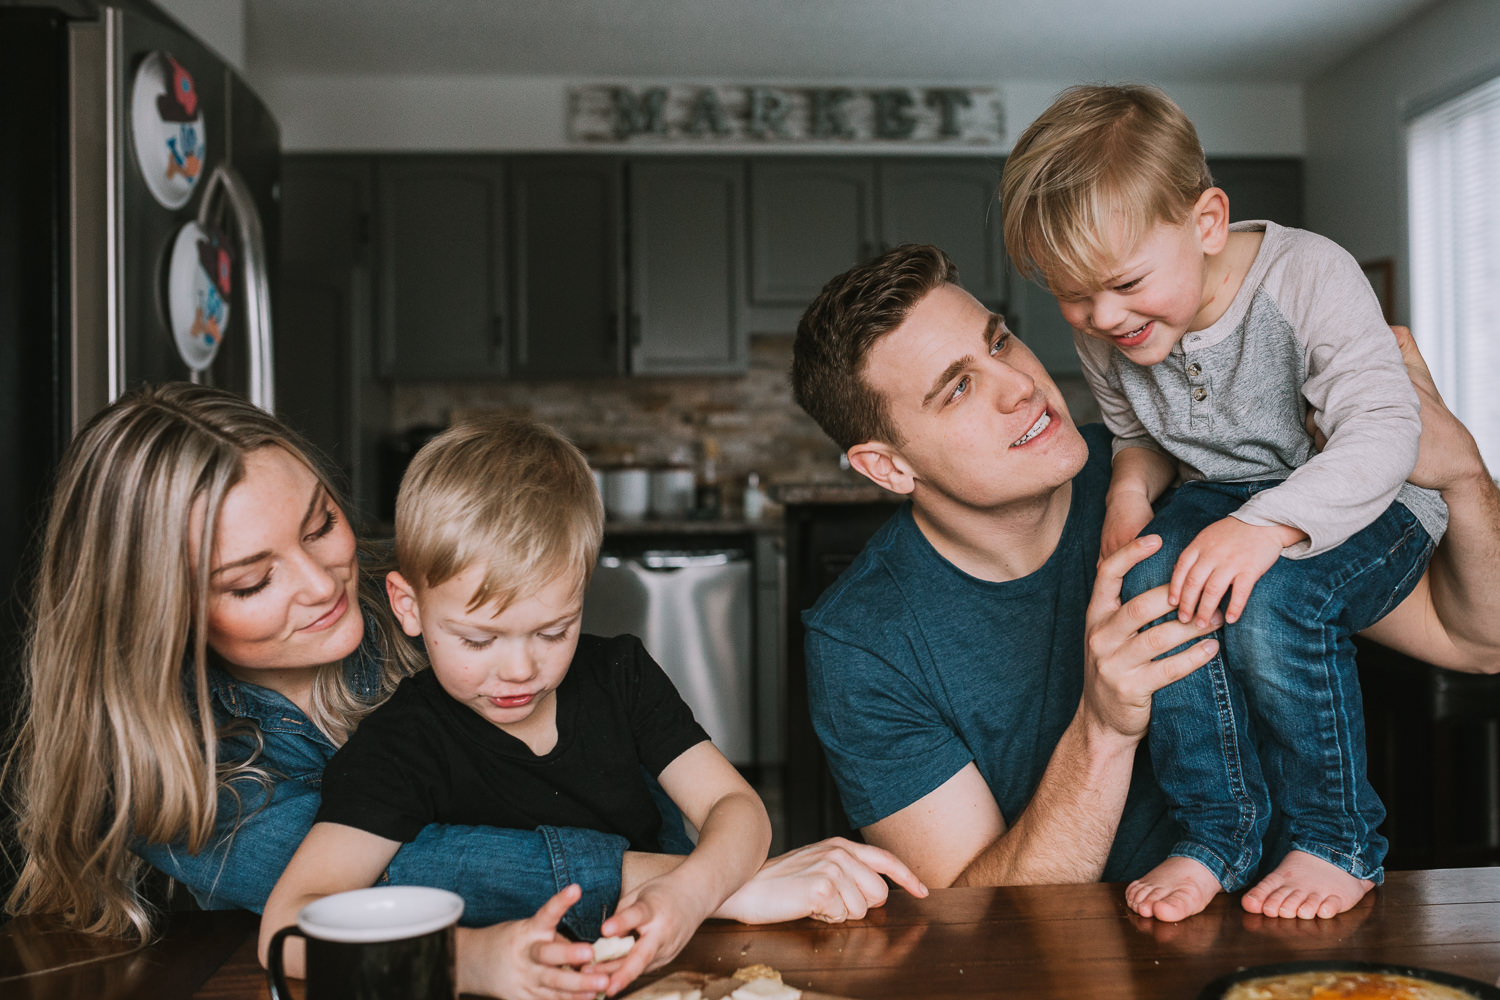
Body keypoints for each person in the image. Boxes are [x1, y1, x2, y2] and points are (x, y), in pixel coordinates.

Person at [4, 383, 923, 999]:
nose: (325, 582)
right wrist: (709, 884)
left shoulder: (425, 600)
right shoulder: (182, 770)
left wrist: (698, 881)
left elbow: (673, 788)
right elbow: (379, 890)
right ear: (158, 611)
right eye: (251, 582)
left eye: (321, 523)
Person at [788, 243, 1500, 926]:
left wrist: (1465, 476)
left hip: (1288, 933)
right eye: (960, 388)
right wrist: (1102, 728)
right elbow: (972, 925)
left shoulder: (1192, 475)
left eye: (999, 342)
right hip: (1077, 973)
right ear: (888, 467)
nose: (1021, 387)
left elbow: (1478, 643)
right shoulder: (862, 644)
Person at [996, 83, 1448, 923]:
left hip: (1371, 498)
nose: (1102, 317)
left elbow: (1386, 434)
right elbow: (1137, 435)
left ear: (1206, 222)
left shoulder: (1306, 275)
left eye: (1125, 283)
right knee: (1152, 594)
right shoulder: (1109, 320)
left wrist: (1266, 527)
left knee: (1275, 600)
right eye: (1073, 295)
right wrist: (1129, 501)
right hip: (1225, 500)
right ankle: (1219, 832)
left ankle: (1337, 838)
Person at [259, 415, 772, 996]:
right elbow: (288, 927)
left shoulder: (619, 677)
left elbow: (737, 807)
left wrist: (689, 891)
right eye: (478, 640)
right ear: (408, 607)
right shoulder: (399, 746)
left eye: (554, 632)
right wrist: (469, 960)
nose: (522, 670)